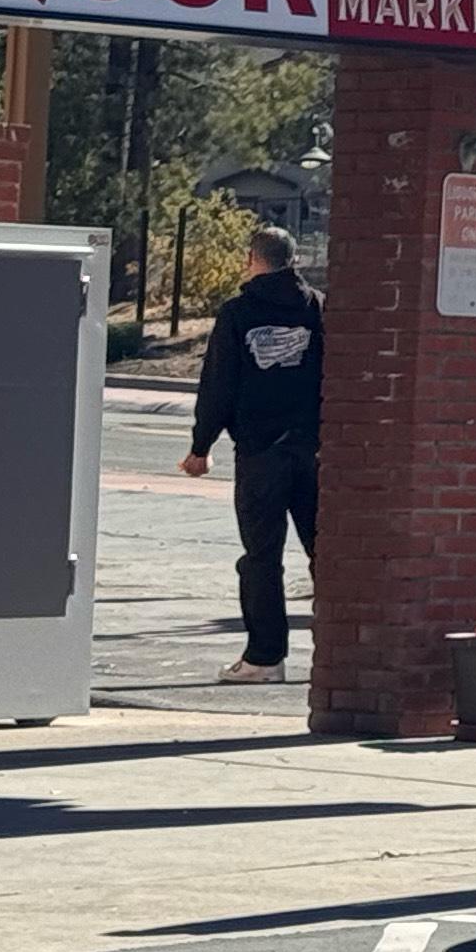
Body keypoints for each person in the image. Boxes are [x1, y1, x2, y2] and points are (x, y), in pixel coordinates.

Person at [179, 225, 323, 685]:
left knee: (262, 557)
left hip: (261, 452)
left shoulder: (238, 314)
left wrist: (201, 447)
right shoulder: (319, 308)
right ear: (293, 260)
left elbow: (219, 384)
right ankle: (342, 652)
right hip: (314, 449)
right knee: (327, 553)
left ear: (252, 260)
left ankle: (265, 658)